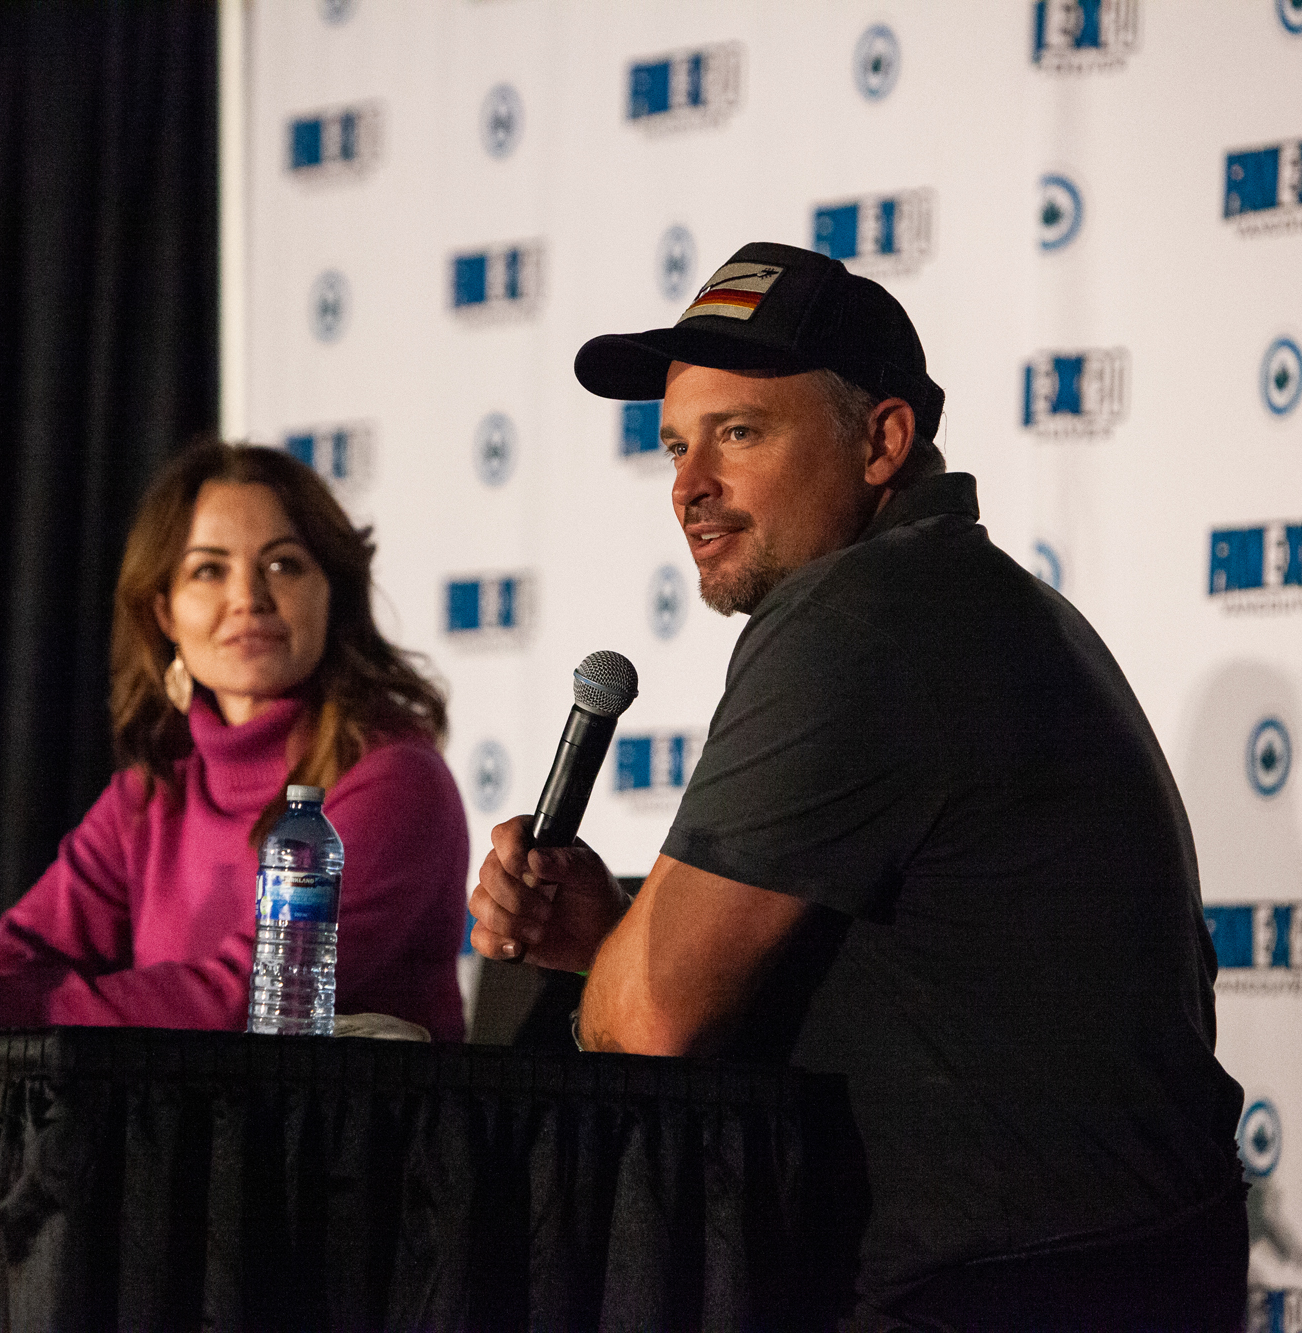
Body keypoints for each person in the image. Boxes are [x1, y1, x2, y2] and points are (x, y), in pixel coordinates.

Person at [467, 243, 1249, 1329]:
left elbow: (650, 1025)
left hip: (1008, 1295)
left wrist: (621, 959)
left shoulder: (858, 620)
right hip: (1110, 1272)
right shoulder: (960, 594)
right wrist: (619, 929)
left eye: (737, 433)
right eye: (675, 447)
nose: (689, 487)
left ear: (880, 440)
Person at [0, 440, 470, 1041]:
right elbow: (17, 961)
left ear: (334, 592)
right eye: (208, 570)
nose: (248, 598)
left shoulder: (396, 779)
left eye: (283, 564)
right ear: (165, 613)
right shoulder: (150, 796)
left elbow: (245, 1000)